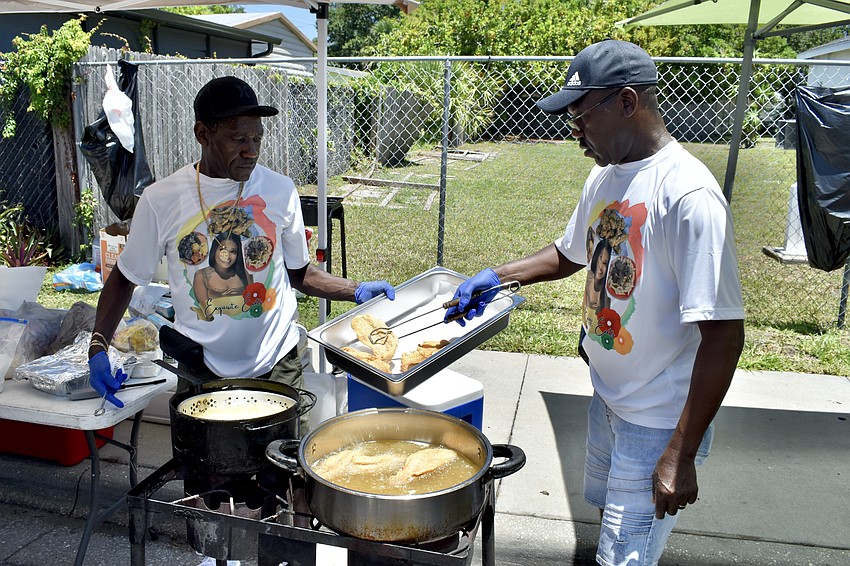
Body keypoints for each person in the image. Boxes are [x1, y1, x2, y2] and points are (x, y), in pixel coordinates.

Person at [445, 40, 745, 566]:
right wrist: (496, 278)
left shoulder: (688, 196)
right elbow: (570, 254)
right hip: (608, 398)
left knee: (625, 556)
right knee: (609, 528)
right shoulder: (605, 174)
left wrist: (680, 452)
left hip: (656, 418)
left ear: (627, 102)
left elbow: (724, 334)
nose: (575, 131)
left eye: (581, 116)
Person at [88, 76, 395, 411]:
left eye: (257, 138)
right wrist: (98, 346)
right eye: (239, 140)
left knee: (285, 445)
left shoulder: (280, 191)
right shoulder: (160, 199)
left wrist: (355, 290)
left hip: (278, 361)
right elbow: (125, 278)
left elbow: (299, 274)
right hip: (200, 367)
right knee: (206, 445)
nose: (252, 151)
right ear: (203, 134)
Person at [192, 231, 254, 321]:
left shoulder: (243, 273)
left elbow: (252, 306)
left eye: (233, 252)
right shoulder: (201, 276)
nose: (226, 256)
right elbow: (207, 314)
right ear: (214, 250)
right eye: (222, 250)